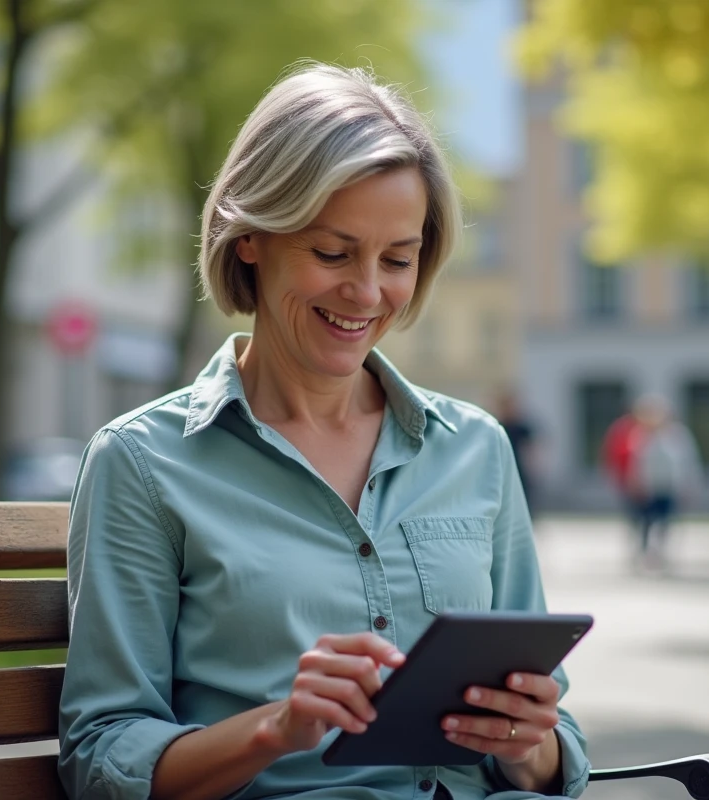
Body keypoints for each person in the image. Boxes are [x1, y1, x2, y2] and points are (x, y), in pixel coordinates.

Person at [57, 64, 590, 800]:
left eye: (398, 260)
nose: (368, 293)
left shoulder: (476, 448)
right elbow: (101, 755)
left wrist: (528, 745)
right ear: (252, 238)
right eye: (333, 253)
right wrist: (275, 727)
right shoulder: (145, 463)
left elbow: (552, 737)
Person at [633, 398, 701, 569]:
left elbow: (688, 463)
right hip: (651, 487)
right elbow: (639, 463)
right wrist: (638, 483)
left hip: (670, 487)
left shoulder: (679, 435)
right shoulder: (644, 436)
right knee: (648, 522)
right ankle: (648, 553)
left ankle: (661, 553)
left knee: (665, 522)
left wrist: (690, 485)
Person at [495, 391, 538, 519]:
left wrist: (533, 466)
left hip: (520, 467)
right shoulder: (497, 426)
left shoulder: (521, 426)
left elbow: (531, 448)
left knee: (524, 497)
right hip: (502, 467)